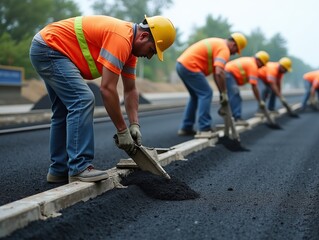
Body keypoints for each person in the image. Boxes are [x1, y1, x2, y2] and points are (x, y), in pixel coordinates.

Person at [29, 15, 176, 183]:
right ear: (143, 36)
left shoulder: (129, 49)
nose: (150, 56)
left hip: (49, 46)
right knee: (82, 99)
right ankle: (79, 167)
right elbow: (107, 89)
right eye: (152, 50)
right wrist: (122, 131)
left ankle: (58, 170)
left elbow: (130, 90)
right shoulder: (121, 38)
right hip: (50, 49)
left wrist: (134, 124)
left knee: (63, 109)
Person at [176, 33, 247, 135]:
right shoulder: (224, 49)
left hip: (181, 65)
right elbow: (219, 72)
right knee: (206, 93)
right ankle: (204, 127)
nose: (234, 54)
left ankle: (186, 127)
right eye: (236, 51)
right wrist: (224, 93)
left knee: (195, 96)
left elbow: (215, 73)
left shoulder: (218, 44)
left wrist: (221, 92)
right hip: (190, 66)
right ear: (234, 45)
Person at [224, 51, 270, 122]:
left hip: (227, 73)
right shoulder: (253, 66)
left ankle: (229, 114)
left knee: (233, 96)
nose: (261, 67)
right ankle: (237, 118)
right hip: (227, 73)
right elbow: (254, 86)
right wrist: (260, 101)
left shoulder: (250, 62)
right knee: (235, 94)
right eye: (262, 64)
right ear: (259, 60)